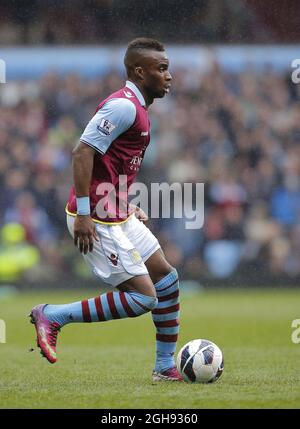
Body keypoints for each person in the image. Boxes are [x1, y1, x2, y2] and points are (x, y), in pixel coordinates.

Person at [29, 38, 182, 382]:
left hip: (114, 211)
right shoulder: (123, 107)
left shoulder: (139, 107)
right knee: (144, 299)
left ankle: (164, 367)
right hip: (95, 218)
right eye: (161, 69)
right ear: (140, 73)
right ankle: (53, 315)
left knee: (168, 280)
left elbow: (109, 165)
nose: (169, 76)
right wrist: (84, 213)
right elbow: (82, 152)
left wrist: (125, 203)